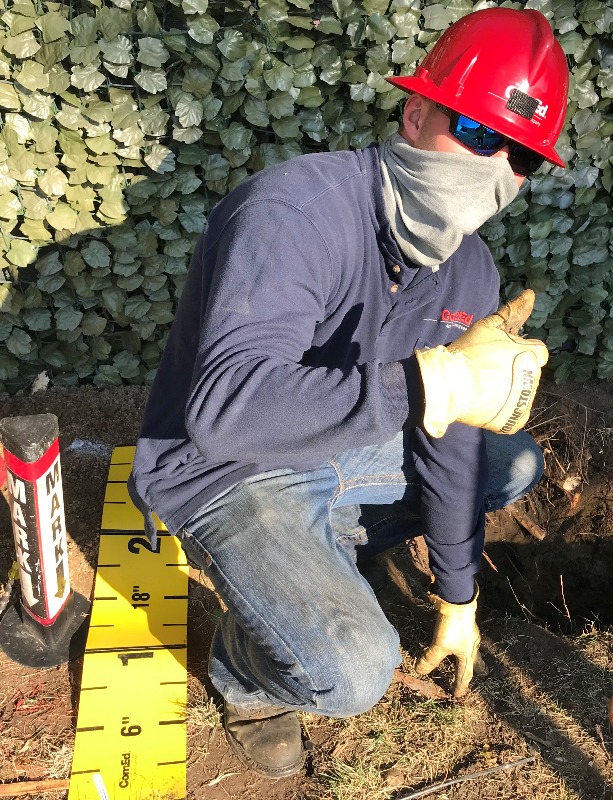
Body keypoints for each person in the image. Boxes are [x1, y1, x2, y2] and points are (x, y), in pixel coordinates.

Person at [128, 6, 569, 779]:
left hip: (340, 446)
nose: (494, 166)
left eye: (521, 157)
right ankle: (243, 671)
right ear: (415, 109)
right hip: (224, 471)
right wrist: (433, 379)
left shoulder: (469, 270)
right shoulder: (296, 210)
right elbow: (226, 411)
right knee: (351, 672)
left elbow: (452, 437)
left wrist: (458, 597)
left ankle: (318, 549)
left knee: (510, 465)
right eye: (475, 132)